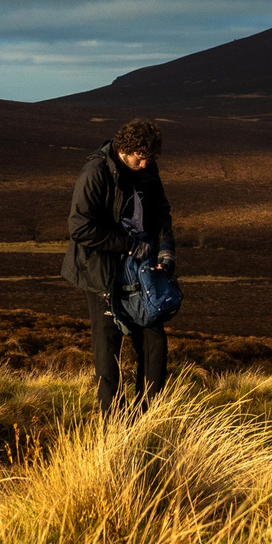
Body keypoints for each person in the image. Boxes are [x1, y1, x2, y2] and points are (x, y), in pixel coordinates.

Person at [62, 119, 176, 414]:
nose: (145, 163)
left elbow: (162, 211)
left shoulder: (147, 169)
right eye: (141, 156)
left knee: (154, 344)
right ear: (126, 148)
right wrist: (125, 243)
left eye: (150, 157)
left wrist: (166, 250)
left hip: (143, 272)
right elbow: (79, 227)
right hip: (102, 274)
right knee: (108, 352)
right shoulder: (96, 171)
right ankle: (113, 424)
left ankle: (148, 416)